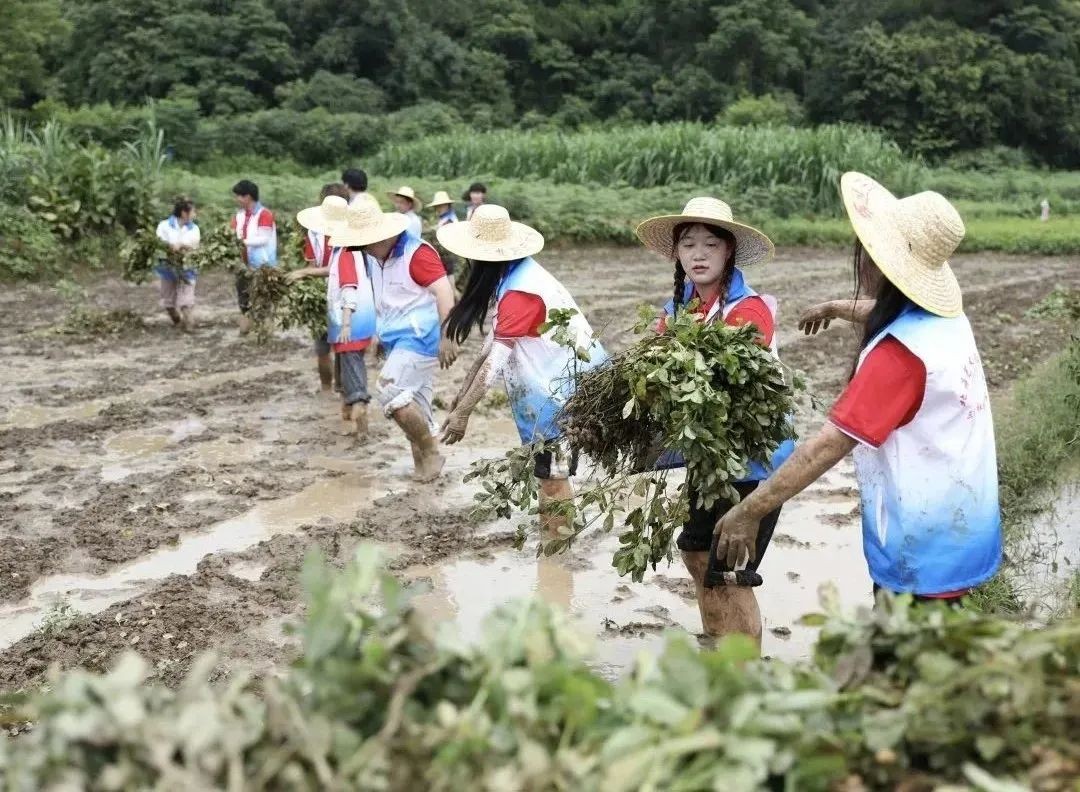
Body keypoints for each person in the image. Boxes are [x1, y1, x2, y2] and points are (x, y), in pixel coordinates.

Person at [714, 172, 1002, 610]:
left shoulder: (899, 357)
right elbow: (890, 309)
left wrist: (749, 510)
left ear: (878, 262)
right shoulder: (946, 320)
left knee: (908, 647)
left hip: (921, 549)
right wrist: (835, 307)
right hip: (963, 523)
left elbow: (827, 445)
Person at [637, 197, 795, 648]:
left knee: (731, 574)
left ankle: (741, 668)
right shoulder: (682, 307)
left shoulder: (748, 311)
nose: (699, 254)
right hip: (712, 460)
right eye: (689, 244)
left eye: (711, 244)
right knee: (696, 552)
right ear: (677, 254)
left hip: (754, 463)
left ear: (729, 252)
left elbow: (716, 381)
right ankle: (717, 645)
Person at [438, 205, 606, 533]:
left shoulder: (521, 289)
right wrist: (460, 398)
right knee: (551, 476)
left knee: (553, 479)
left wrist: (463, 414)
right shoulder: (515, 274)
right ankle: (557, 546)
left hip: (560, 395)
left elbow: (496, 362)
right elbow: (490, 347)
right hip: (556, 389)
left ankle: (557, 552)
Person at [330, 199, 458, 480]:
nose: (362, 249)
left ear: (380, 236)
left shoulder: (416, 253)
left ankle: (431, 452)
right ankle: (425, 473)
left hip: (421, 336)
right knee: (416, 404)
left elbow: (444, 291)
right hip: (396, 338)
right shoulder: (376, 257)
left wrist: (448, 336)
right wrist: (378, 333)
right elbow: (385, 298)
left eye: (363, 243)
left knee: (391, 391)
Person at [293, 193, 377, 437]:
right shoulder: (350, 248)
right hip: (358, 317)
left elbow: (348, 287)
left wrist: (346, 323)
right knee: (349, 364)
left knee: (352, 366)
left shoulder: (346, 252)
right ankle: (351, 410)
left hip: (350, 320)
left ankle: (361, 419)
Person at [289, 183, 351, 393]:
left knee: (340, 348)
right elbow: (313, 264)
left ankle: (337, 392)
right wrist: (304, 276)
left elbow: (340, 268)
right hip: (325, 295)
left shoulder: (351, 233)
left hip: (345, 294)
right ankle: (329, 392)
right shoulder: (314, 232)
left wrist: (304, 273)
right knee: (326, 348)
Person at [230, 180, 277, 335]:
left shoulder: (265, 214)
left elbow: (263, 238)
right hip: (243, 264)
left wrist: (242, 242)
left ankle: (266, 332)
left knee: (263, 300)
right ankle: (245, 330)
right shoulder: (239, 216)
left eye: (239, 196)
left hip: (263, 264)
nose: (237, 199)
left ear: (248, 197)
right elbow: (232, 233)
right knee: (244, 298)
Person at [154, 197, 200, 332]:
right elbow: (159, 242)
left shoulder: (194, 228)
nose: (195, 214)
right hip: (167, 266)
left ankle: (189, 325)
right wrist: (170, 247)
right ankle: (177, 321)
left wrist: (182, 245)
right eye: (193, 211)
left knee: (186, 300)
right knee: (168, 301)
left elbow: (194, 245)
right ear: (184, 213)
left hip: (187, 267)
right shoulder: (164, 226)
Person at [427, 190, 461, 288]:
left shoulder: (449, 220)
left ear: (447, 205)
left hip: (450, 255)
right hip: (447, 255)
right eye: (438, 206)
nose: (439, 208)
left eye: (442, 205)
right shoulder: (445, 218)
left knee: (451, 281)